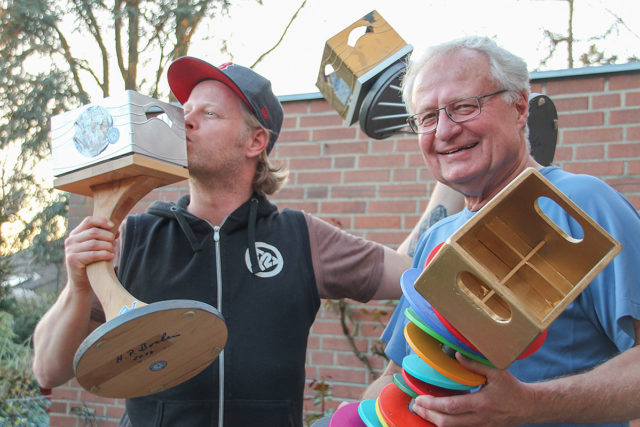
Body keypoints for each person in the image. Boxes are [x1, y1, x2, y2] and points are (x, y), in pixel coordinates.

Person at [32, 57, 411, 427]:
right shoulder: (132, 237)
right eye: (185, 110)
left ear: (255, 141)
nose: (186, 121)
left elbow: (418, 278)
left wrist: (396, 378)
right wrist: (78, 286)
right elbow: (48, 369)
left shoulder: (302, 238)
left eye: (209, 114)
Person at [363, 36, 640, 426]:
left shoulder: (581, 205)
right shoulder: (436, 238)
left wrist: (529, 404)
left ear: (521, 106)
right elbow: (397, 377)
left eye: (463, 107)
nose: (444, 130)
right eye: (427, 117)